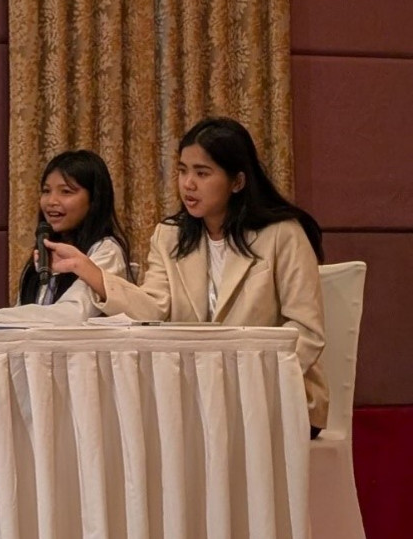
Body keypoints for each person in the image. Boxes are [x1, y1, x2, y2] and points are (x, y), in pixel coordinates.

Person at [44, 117, 328, 437]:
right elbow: (154, 308)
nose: (188, 184)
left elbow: (306, 331)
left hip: (276, 395)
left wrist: (251, 384)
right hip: (199, 395)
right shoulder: (170, 236)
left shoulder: (283, 234)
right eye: (182, 170)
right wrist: (91, 272)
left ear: (237, 181)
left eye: (202, 173)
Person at [0, 149, 132, 324]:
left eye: (66, 192)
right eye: (46, 191)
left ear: (94, 200)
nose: (51, 201)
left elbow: (72, 314)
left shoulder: (106, 250)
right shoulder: (47, 251)